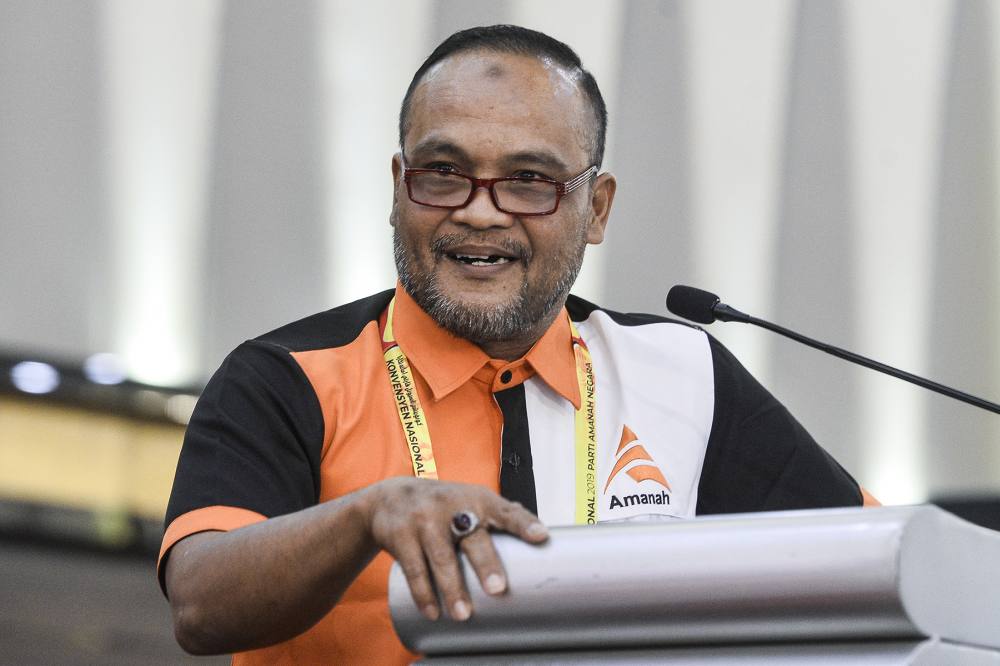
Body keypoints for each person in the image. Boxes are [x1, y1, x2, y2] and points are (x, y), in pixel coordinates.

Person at [159, 25, 875, 664]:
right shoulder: (291, 376)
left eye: (529, 181)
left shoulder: (683, 374)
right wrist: (365, 516)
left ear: (595, 210)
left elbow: (873, 561)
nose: (478, 209)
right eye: (442, 173)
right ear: (397, 187)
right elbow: (201, 603)